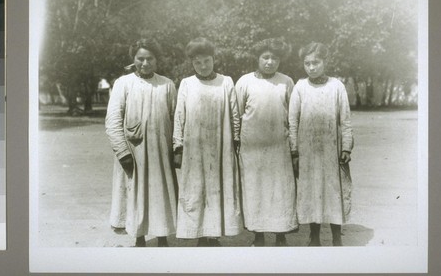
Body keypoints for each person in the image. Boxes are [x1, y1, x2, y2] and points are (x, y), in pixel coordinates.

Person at [105, 38, 178, 247]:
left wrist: (176, 149)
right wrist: (123, 153)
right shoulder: (123, 83)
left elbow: (176, 118)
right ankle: (139, 238)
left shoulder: (167, 84)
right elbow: (112, 120)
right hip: (133, 151)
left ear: (157, 60)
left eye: (150, 59)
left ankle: (163, 237)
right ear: (133, 59)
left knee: (160, 192)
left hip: (161, 151)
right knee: (135, 193)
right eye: (140, 59)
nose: (145, 63)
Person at [173, 37, 242, 246]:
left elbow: (235, 114)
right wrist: (178, 145)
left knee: (218, 188)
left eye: (207, 61)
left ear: (214, 59)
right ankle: (200, 234)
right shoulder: (186, 83)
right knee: (196, 189)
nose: (203, 66)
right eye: (197, 62)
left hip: (221, 145)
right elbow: (179, 115)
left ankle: (214, 235)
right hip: (194, 147)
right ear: (192, 63)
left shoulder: (226, 81)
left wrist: (236, 140)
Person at [288, 42, 353, 246]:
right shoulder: (300, 87)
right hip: (307, 150)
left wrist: (346, 147)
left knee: (334, 191)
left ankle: (336, 237)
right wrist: (295, 151)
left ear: (325, 61)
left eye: (316, 62)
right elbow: (292, 121)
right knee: (311, 192)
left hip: (332, 149)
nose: (312, 67)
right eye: (307, 63)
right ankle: (314, 237)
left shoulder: (337, 86)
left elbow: (345, 119)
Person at [235, 38, 298, 246]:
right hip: (252, 145)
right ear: (258, 59)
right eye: (266, 57)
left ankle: (281, 235)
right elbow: (237, 114)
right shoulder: (244, 81)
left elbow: (293, 114)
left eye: (275, 58)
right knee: (255, 189)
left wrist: (293, 144)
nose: (270, 62)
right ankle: (258, 235)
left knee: (280, 189)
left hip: (279, 145)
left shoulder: (287, 81)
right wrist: (236, 140)